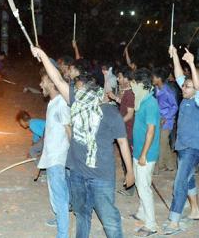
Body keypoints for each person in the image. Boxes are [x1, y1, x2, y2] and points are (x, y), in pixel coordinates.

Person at [30, 46, 134, 238]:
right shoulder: (78, 103)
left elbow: (122, 143)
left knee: (109, 219)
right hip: (77, 172)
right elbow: (57, 79)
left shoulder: (111, 113)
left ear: (93, 90)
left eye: (79, 89)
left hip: (101, 176)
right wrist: (43, 54)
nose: (76, 93)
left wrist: (130, 171)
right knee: (82, 215)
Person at [163, 46, 199, 235]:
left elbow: (197, 87)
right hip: (182, 146)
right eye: (183, 85)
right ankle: (195, 211)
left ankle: (174, 221)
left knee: (180, 181)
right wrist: (175, 57)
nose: (183, 87)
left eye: (187, 86)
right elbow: (179, 75)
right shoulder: (187, 93)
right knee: (188, 178)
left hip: (193, 147)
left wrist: (190, 62)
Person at [37, 67, 71, 238]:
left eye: (43, 81)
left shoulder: (61, 104)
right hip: (51, 157)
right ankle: (60, 219)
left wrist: (74, 158)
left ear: (51, 82)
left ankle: (63, 234)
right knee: (55, 193)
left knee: (60, 197)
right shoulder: (52, 103)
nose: (40, 84)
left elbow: (69, 131)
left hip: (58, 158)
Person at [130, 68, 160, 237]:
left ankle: (151, 224)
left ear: (142, 84)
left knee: (144, 188)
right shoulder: (142, 99)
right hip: (140, 150)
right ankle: (142, 212)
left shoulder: (151, 103)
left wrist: (143, 154)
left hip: (146, 154)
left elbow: (151, 131)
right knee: (141, 184)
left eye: (134, 83)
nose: (132, 85)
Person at [108, 66, 135, 196]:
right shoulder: (127, 92)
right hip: (126, 128)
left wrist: (117, 124)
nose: (118, 80)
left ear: (126, 78)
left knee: (128, 158)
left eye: (119, 77)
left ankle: (130, 188)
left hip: (128, 129)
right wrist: (115, 98)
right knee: (126, 157)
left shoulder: (130, 93)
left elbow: (130, 114)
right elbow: (124, 106)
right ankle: (128, 182)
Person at [152, 67, 178, 173]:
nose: (151, 79)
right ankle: (171, 165)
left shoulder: (168, 91)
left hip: (167, 120)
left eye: (153, 77)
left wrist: (166, 117)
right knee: (164, 142)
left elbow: (175, 106)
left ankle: (158, 167)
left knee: (161, 143)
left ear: (159, 78)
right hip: (159, 118)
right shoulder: (156, 89)